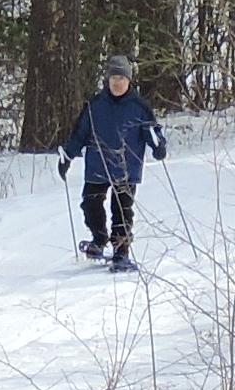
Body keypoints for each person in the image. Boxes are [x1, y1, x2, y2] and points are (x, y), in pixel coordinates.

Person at [53, 53, 167, 270]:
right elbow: (80, 134)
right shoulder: (95, 105)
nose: (117, 83)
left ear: (128, 80)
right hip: (98, 165)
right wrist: (67, 156)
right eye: (113, 78)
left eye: (121, 78)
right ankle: (99, 238)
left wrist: (158, 146)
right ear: (108, 80)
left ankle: (121, 251)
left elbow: (152, 132)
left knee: (122, 210)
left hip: (126, 167)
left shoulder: (139, 107)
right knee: (90, 204)